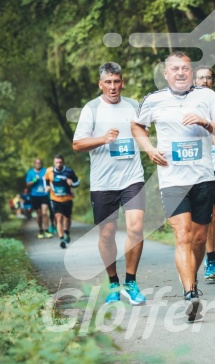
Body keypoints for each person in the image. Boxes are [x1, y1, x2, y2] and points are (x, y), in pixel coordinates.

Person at [132, 51, 215, 322]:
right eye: (174, 69)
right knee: (183, 235)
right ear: (166, 74)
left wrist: (205, 122)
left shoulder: (208, 97)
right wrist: (149, 148)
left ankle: (192, 279)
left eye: (185, 69)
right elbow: (137, 127)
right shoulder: (153, 100)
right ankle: (190, 292)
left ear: (191, 72)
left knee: (200, 239)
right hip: (172, 180)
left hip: (202, 178)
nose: (180, 73)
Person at [72, 62, 147, 306]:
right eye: (108, 82)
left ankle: (131, 282)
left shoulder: (135, 106)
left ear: (122, 82)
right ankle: (113, 282)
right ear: (100, 84)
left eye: (117, 81)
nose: (113, 87)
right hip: (103, 182)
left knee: (136, 228)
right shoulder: (91, 109)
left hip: (132, 177)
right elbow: (77, 144)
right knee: (107, 234)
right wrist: (103, 139)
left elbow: (146, 133)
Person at [194, 65, 215, 282]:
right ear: (194, 81)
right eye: (201, 78)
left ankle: (212, 261)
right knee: (198, 221)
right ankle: (192, 261)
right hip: (196, 169)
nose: (204, 81)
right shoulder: (189, 105)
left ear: (213, 82)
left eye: (208, 78)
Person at [44, 154, 80, 249]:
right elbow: (46, 180)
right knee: (58, 218)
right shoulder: (49, 171)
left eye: (60, 162)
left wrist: (72, 183)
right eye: (56, 162)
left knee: (67, 219)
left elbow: (77, 182)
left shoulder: (69, 171)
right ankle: (62, 239)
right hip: (55, 199)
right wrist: (46, 186)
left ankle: (67, 232)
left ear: (63, 162)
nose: (58, 164)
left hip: (67, 199)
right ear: (54, 162)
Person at [26, 158, 53, 239]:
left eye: (39, 163)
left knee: (44, 212)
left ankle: (47, 230)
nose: (38, 164)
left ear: (41, 163)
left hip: (44, 194)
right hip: (35, 195)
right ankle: (41, 230)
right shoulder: (30, 172)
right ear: (34, 164)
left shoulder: (45, 171)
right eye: (37, 163)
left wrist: (49, 186)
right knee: (39, 214)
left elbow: (51, 180)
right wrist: (34, 180)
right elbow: (27, 184)